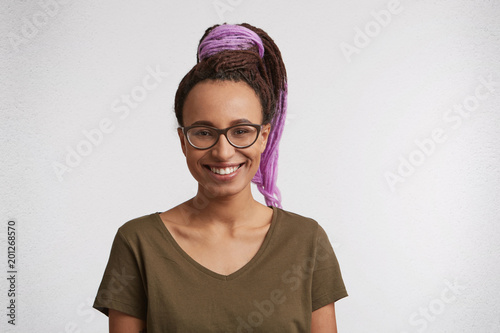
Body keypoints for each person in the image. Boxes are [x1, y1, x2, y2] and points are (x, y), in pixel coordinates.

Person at [93, 23, 348, 332]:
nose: (224, 152)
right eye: (204, 132)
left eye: (241, 131)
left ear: (264, 136)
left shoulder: (307, 241)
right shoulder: (138, 243)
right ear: (183, 140)